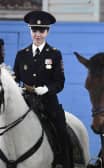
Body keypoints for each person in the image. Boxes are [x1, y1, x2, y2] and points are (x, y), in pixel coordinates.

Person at [13, 10, 72, 168]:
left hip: (47, 103)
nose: (37, 34)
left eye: (41, 30)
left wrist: (46, 89)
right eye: (34, 30)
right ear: (30, 30)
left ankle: (65, 163)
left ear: (47, 31)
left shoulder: (54, 54)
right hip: (25, 102)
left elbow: (60, 82)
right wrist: (18, 88)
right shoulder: (21, 55)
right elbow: (15, 79)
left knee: (61, 129)